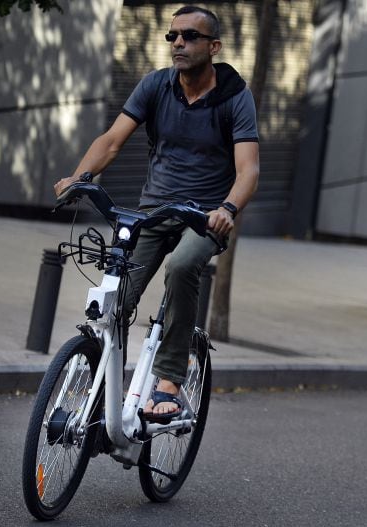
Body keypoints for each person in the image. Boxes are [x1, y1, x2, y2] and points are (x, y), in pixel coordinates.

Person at [54, 5, 259, 422]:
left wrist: (227, 208)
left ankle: (169, 379)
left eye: (189, 36)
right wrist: (79, 178)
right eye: (173, 36)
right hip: (152, 212)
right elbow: (112, 141)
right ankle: (100, 391)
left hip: (204, 218)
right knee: (115, 298)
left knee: (183, 266)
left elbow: (249, 169)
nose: (178, 43)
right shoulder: (155, 86)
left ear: (213, 46)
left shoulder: (235, 97)